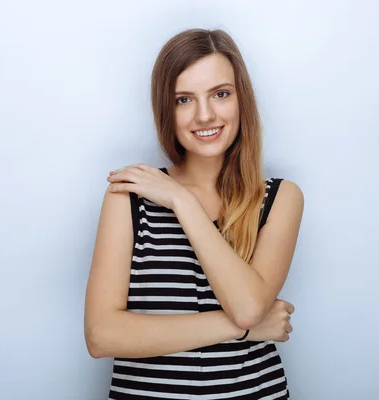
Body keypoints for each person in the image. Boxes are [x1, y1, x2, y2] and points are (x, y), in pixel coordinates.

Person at [84, 28, 304, 399]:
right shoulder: (129, 196)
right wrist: (245, 329)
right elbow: (102, 336)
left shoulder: (280, 197)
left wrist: (183, 203)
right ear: (165, 109)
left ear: (241, 99)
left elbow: (249, 307)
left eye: (220, 94)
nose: (205, 115)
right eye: (184, 99)